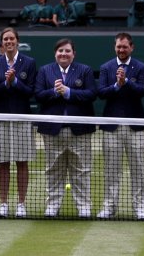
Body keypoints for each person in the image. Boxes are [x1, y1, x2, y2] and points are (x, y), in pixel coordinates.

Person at [34, 38, 97, 218]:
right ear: (55, 53)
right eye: (60, 51)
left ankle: (84, 207)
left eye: (67, 51)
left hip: (79, 129)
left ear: (73, 54)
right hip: (53, 130)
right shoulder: (45, 71)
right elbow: (38, 95)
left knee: (82, 170)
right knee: (54, 170)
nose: (64, 54)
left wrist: (68, 92)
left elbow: (92, 94)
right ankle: (52, 206)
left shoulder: (84, 70)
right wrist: (55, 92)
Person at [97, 33, 144, 220]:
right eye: (119, 47)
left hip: (135, 125)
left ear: (131, 47)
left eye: (125, 47)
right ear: (115, 47)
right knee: (111, 169)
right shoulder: (106, 67)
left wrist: (125, 82)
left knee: (139, 169)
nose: (121, 50)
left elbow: (142, 91)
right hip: (112, 126)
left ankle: (140, 207)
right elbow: (101, 92)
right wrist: (117, 86)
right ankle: (109, 206)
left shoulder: (140, 67)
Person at [0, 27, 37, 218]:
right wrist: (6, 84)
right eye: (5, 39)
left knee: (22, 162)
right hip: (1, 117)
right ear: (2, 43)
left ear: (17, 41)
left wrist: (15, 82)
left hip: (22, 117)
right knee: (3, 162)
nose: (9, 42)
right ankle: (3, 203)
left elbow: (31, 91)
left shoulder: (29, 63)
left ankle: (21, 204)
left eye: (12, 39)